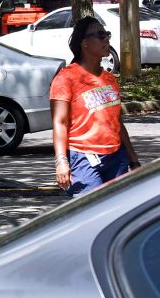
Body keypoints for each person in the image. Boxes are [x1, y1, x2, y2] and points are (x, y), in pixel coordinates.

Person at [50, 16, 141, 196]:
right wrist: (61, 161)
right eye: (100, 35)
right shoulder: (65, 79)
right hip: (84, 159)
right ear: (84, 43)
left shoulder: (109, 79)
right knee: (90, 216)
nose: (106, 39)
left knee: (116, 214)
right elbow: (59, 123)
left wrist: (134, 161)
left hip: (116, 157)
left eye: (107, 34)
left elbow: (117, 122)